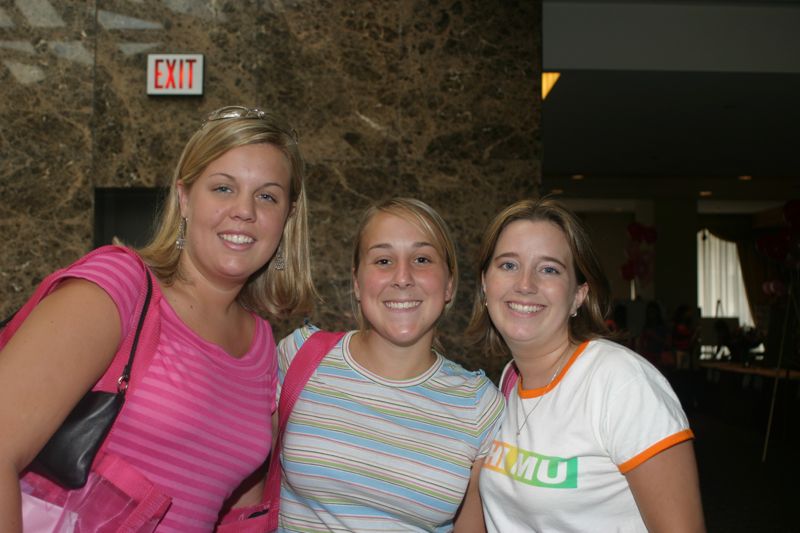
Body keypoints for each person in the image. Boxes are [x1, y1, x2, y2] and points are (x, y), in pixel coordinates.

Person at [0, 105, 316, 531]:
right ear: (185, 198)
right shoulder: (118, 286)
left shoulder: (261, 345)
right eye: (223, 188)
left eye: (267, 196)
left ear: (287, 218)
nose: (244, 210)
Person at [468, 198, 705, 532]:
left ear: (578, 295)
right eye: (508, 265)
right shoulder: (509, 379)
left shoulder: (621, 382)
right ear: (484, 283)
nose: (525, 284)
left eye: (549, 269)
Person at [276, 198, 504, 532]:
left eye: (422, 259)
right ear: (356, 282)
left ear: (450, 285)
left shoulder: (480, 404)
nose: (402, 277)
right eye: (383, 260)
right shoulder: (300, 355)